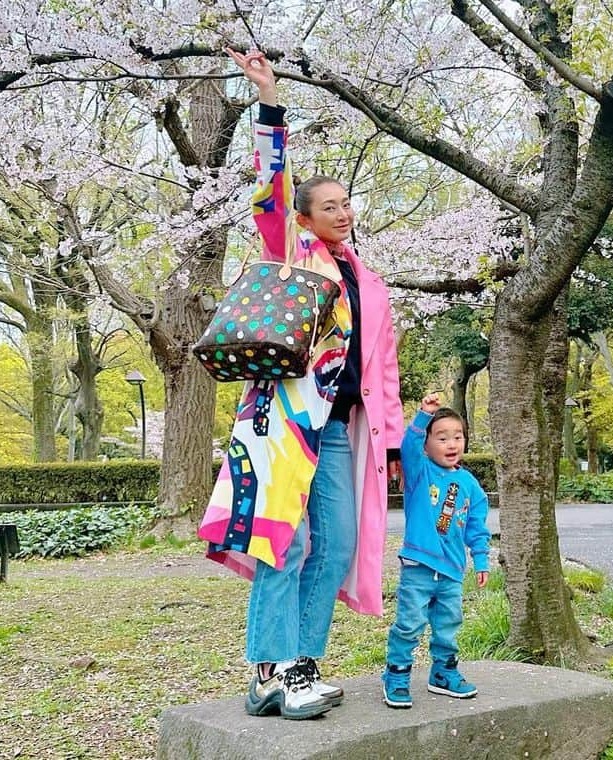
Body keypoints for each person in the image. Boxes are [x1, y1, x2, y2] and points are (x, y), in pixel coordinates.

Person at [198, 47, 404, 720]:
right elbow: (270, 187)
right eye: (330, 206)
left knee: (337, 544)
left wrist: (394, 439)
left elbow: (385, 368)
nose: (343, 214)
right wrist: (269, 101)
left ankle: (300, 664)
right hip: (283, 422)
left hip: (341, 434)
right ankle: (269, 671)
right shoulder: (291, 249)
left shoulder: (367, 280)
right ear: (307, 217)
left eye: (348, 204)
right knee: (279, 541)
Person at [381, 393, 490, 709]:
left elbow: (477, 527)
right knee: (410, 623)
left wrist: (480, 559)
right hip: (418, 566)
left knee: (448, 623)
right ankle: (396, 673)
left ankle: (443, 673)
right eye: (441, 437)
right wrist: (422, 417)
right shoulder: (418, 474)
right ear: (427, 445)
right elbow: (407, 448)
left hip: (452, 571)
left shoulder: (470, 484)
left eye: (457, 437)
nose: (451, 443)